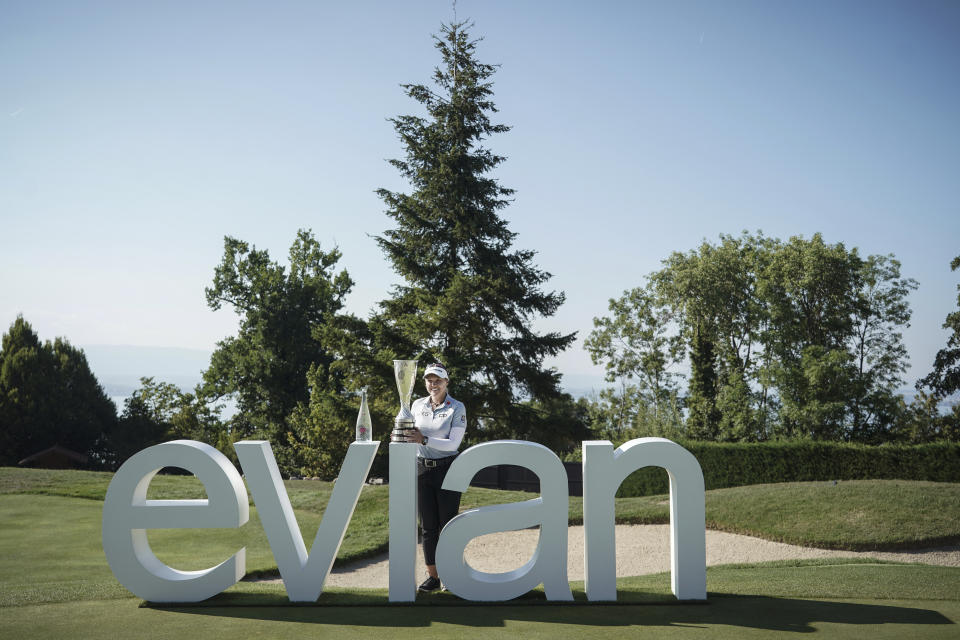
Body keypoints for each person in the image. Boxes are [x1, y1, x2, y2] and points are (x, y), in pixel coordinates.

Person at [407, 362, 467, 592]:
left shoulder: (457, 407)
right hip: (422, 469)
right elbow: (410, 434)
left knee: (448, 525)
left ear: (446, 382)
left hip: (448, 469)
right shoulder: (417, 404)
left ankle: (451, 576)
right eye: (429, 380)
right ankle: (433, 577)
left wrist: (423, 440)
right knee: (428, 527)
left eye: (438, 380)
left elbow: (453, 443)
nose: (433, 384)